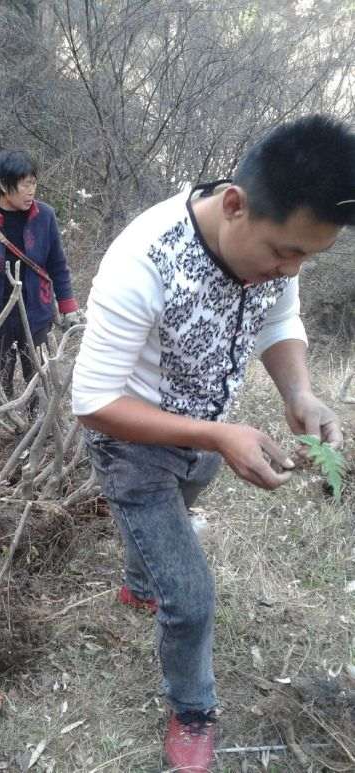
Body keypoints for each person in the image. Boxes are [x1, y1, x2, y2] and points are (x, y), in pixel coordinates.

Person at [72, 114, 354, 772]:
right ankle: (193, 706)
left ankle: (140, 581)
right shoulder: (143, 260)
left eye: (309, 257)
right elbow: (93, 402)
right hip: (130, 446)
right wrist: (219, 433)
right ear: (234, 205)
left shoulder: (279, 247)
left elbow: (279, 314)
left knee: (175, 522)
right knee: (192, 596)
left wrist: (300, 395)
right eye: (286, 252)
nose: (292, 268)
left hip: (206, 440)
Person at [0, 149, 81, 402]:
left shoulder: (45, 216)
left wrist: (68, 306)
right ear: (3, 184)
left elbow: (57, 264)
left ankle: (40, 429)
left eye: (33, 183)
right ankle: (1, 427)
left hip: (36, 313)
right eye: (24, 185)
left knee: (41, 379)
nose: (31, 191)